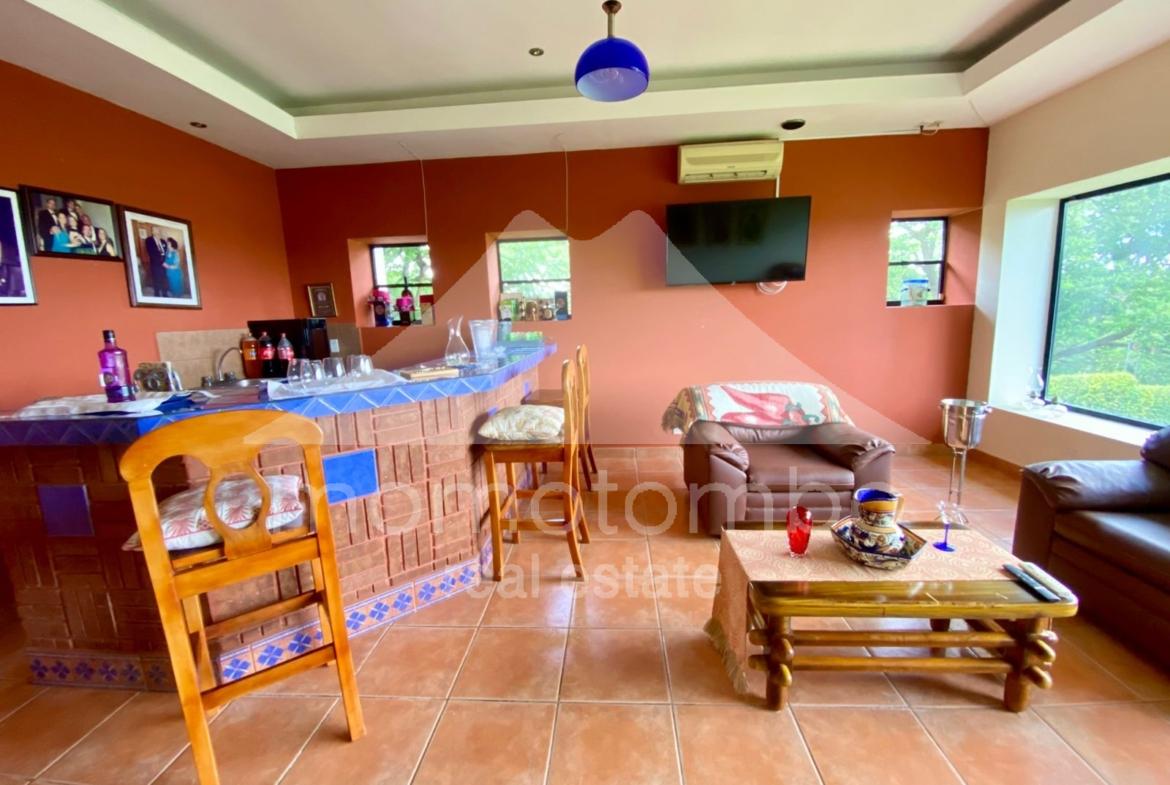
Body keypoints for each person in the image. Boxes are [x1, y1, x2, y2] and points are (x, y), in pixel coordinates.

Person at [144, 225, 168, 296]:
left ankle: (165, 294)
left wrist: (165, 261)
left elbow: (165, 252)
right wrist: (161, 262)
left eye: (158, 230)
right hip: (155, 264)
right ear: (152, 231)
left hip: (164, 264)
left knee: (164, 279)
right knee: (156, 279)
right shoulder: (149, 240)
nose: (157, 231)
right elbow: (151, 253)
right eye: (155, 230)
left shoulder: (163, 241)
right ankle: (157, 294)